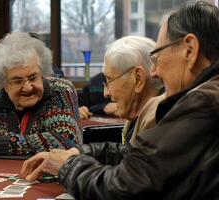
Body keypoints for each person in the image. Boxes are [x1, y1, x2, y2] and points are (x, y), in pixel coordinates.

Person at [20, 1, 219, 199]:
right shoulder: (207, 94)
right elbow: (139, 156)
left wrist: (67, 165)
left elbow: (124, 187)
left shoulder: (202, 102)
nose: (154, 71)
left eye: (157, 56)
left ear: (190, 50)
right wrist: (78, 152)